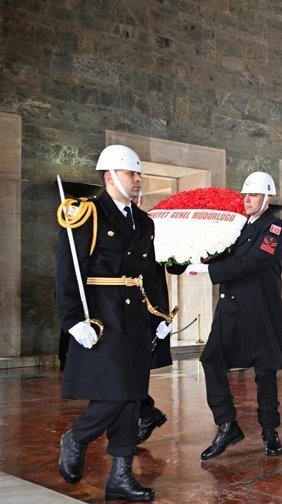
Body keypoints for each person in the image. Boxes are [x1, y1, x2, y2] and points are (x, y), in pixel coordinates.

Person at [56, 145, 171, 501]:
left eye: (138, 175)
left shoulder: (144, 222)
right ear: (109, 177)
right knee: (119, 390)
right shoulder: (87, 214)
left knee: (133, 395)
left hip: (136, 318)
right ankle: (77, 437)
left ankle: (120, 476)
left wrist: (161, 315)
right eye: (130, 174)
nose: (137, 180)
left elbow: (152, 274)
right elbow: (67, 271)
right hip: (101, 316)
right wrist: (73, 319)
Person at [186, 171, 282, 460]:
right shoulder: (239, 227)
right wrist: (193, 256)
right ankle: (226, 424)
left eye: (253, 195)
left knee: (265, 373)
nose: (246, 200)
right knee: (210, 360)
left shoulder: (274, 227)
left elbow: (254, 260)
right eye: (245, 195)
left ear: (267, 198)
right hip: (230, 309)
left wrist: (211, 271)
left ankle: (270, 430)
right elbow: (223, 253)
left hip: (259, 311)